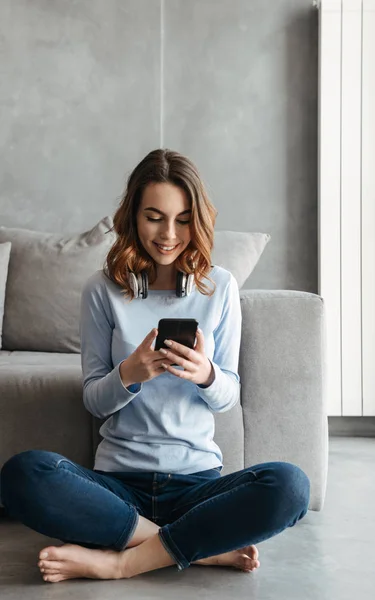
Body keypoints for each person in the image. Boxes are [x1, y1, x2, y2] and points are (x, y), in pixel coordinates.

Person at [0, 149, 310, 583]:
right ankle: (190, 547)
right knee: (23, 475)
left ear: (197, 221)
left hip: (197, 484)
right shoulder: (101, 291)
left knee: (290, 486)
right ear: (132, 217)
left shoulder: (219, 287)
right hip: (118, 487)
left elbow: (228, 397)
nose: (168, 234)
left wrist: (206, 374)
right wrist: (129, 375)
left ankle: (124, 560)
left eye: (183, 219)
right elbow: (93, 399)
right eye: (154, 217)